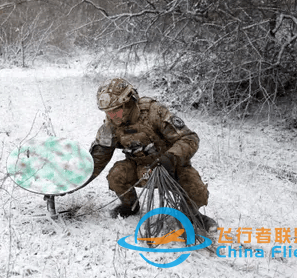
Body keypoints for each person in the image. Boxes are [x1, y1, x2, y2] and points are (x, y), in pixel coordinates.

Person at [87, 78, 217, 232]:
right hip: (141, 169)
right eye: (108, 112)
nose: (112, 116)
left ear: (129, 103)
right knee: (116, 174)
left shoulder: (155, 112)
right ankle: (130, 206)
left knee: (196, 189)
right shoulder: (111, 125)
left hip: (171, 167)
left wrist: (170, 158)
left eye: (116, 110)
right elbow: (97, 160)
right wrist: (71, 183)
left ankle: (191, 215)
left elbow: (189, 138)